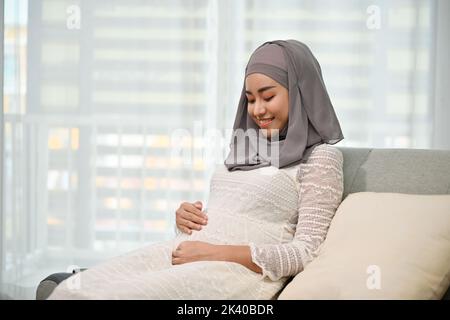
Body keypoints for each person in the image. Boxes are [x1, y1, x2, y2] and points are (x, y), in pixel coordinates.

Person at [48, 39, 344, 300]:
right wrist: (186, 221)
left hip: (234, 273)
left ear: (301, 91)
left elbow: (306, 252)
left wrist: (216, 253)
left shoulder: (320, 158)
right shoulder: (248, 148)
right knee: (72, 290)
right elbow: (231, 214)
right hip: (186, 254)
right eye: (250, 99)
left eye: (268, 96)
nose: (257, 110)